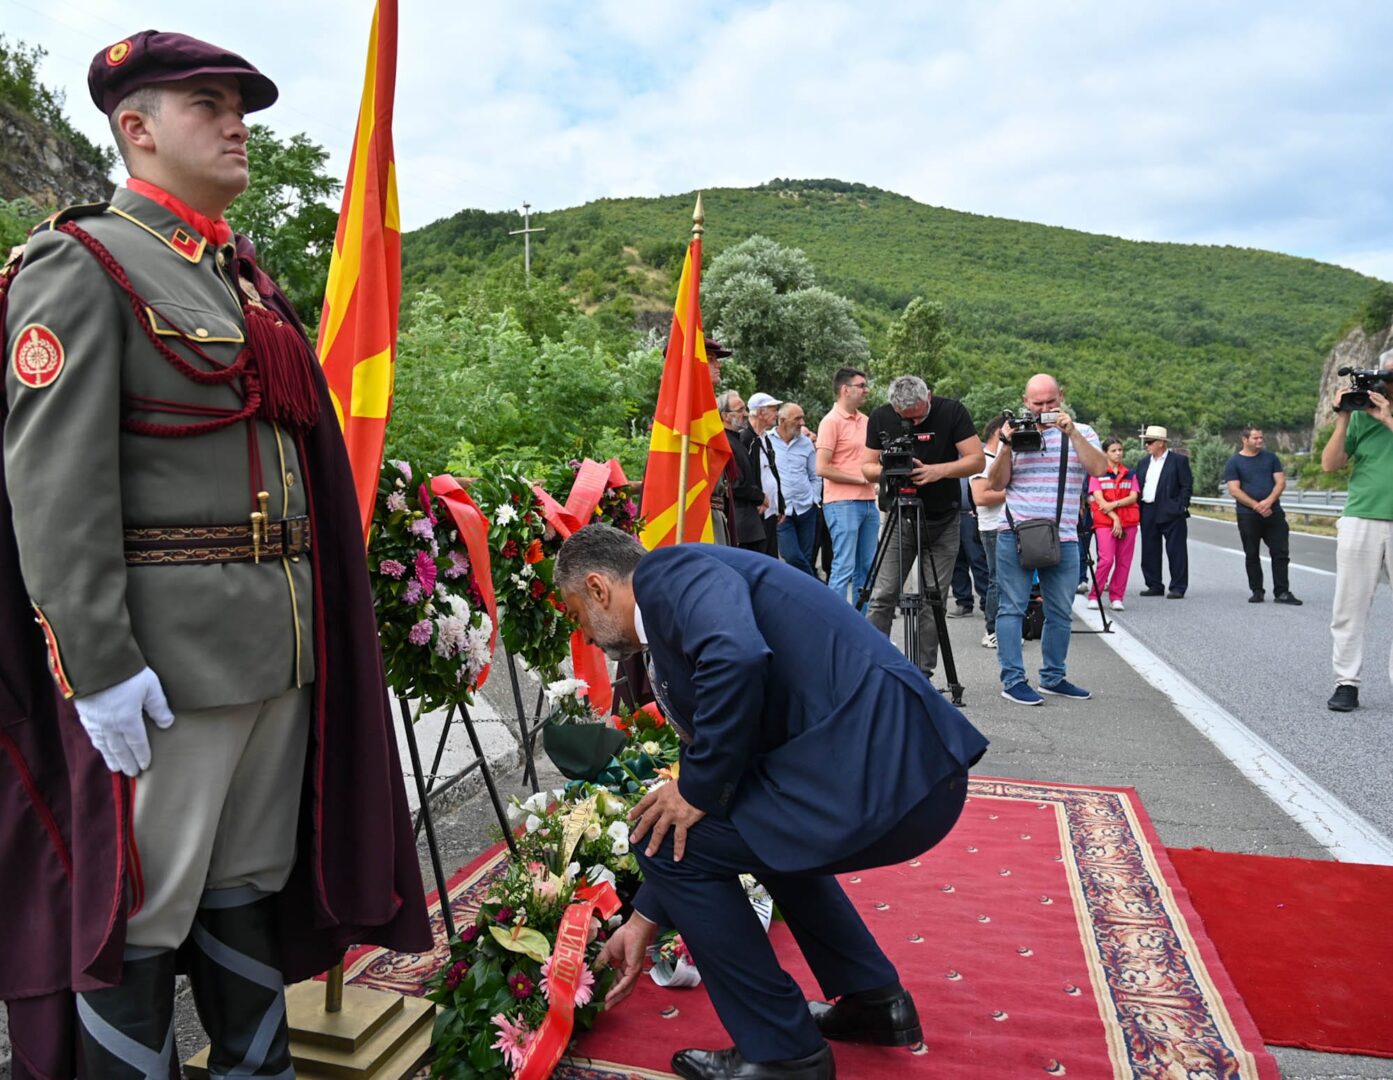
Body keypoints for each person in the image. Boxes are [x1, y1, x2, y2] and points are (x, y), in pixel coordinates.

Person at [0, 32, 430, 1076]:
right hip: (167, 670)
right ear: (136, 129)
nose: (237, 122)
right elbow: (53, 486)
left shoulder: (238, 277)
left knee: (244, 889)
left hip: (275, 655)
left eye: (240, 103)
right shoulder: (85, 260)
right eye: (207, 103)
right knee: (140, 918)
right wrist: (98, 666)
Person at [556, 525, 988, 1080]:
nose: (587, 638)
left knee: (663, 839)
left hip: (888, 773)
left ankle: (783, 1052)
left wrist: (695, 787)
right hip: (901, 773)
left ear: (596, 587)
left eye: (577, 618)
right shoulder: (674, 601)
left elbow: (735, 657)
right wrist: (645, 920)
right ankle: (875, 1001)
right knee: (756, 829)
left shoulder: (668, 574)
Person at [987, 375, 1109, 705]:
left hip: (1064, 535)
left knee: (1059, 611)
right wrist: (1007, 444)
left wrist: (1069, 432)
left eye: (1051, 403)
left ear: (1062, 398)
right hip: (1015, 533)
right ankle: (1013, 680)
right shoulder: (1013, 433)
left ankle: (1053, 677)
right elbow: (996, 484)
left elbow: (1099, 468)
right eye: (1037, 404)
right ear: (1025, 402)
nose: (1044, 410)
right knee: (1011, 609)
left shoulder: (1082, 432)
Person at [861, 375, 984, 684]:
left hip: (942, 519)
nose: (913, 422)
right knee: (883, 595)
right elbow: (866, 467)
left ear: (928, 395)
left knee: (934, 600)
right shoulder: (880, 417)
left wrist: (936, 471)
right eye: (906, 418)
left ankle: (921, 675)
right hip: (898, 516)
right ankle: (874, 669)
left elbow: (976, 460)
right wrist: (890, 469)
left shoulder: (952, 411)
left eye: (918, 415)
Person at [1320, 349, 1393, 712]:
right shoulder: (1360, 418)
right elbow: (1330, 464)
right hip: (1361, 517)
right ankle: (1346, 682)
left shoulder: (1383, 415)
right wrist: (1344, 418)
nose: (1384, 384)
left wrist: (1389, 418)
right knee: (1348, 606)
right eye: (1383, 376)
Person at [815, 368, 878, 603]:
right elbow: (822, 468)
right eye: (861, 385)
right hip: (842, 503)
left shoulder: (867, 421)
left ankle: (861, 629)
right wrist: (860, 479)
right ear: (845, 389)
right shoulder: (830, 422)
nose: (866, 390)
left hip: (868, 501)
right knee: (843, 568)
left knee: (868, 569)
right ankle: (836, 629)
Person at [1223, 428, 1301, 605]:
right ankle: (1257, 590)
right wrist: (1257, 506)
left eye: (1261, 438)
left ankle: (1282, 592)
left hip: (1273, 513)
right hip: (1248, 515)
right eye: (1255, 438)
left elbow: (1280, 482)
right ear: (1244, 439)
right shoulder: (1234, 462)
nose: (1260, 440)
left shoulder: (1271, 458)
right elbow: (1234, 490)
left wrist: (1268, 502)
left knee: (1280, 552)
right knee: (1252, 553)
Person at [1134, 426, 1193, 599]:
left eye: (1150, 442)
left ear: (1161, 443)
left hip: (1171, 510)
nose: (1146, 445)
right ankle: (1154, 584)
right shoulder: (1143, 462)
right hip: (1148, 508)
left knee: (1176, 550)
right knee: (1149, 549)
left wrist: (1182, 505)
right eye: (1146, 442)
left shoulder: (1178, 461)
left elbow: (1186, 485)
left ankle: (1178, 586)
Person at [1086, 438, 1140, 610]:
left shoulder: (1130, 474)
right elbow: (1098, 498)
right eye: (1114, 450)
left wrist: (1115, 505)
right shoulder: (1097, 474)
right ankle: (1095, 595)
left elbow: (1133, 496)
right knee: (1106, 560)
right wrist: (1115, 517)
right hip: (1105, 522)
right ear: (1105, 453)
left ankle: (1117, 597)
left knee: (1124, 561)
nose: (1118, 453)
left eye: (1120, 450)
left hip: (1128, 523)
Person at [968, 415, 1007, 648]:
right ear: (998, 432)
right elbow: (981, 497)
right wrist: (1013, 492)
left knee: (1007, 580)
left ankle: (1004, 628)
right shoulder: (984, 460)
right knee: (997, 580)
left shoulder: (1002, 459)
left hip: (1006, 526)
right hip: (992, 527)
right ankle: (992, 629)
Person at [770, 402, 822, 576]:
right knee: (792, 557)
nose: (802, 422)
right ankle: (817, 587)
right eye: (797, 418)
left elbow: (815, 475)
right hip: (782, 511)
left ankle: (803, 600)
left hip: (806, 509)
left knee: (806, 558)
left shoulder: (806, 444)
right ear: (782, 420)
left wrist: (814, 499)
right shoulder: (767, 441)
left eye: (802, 417)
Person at [716, 390, 767, 551]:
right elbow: (735, 484)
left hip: (749, 523)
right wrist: (760, 497)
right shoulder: (725, 443)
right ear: (725, 416)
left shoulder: (735, 440)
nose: (745, 414)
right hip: (740, 524)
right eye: (740, 410)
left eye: (745, 409)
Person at [744, 392, 785, 557]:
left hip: (771, 510)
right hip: (757, 511)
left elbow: (772, 471)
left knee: (772, 557)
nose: (777, 413)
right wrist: (757, 498)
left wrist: (780, 503)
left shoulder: (765, 438)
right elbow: (745, 476)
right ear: (760, 412)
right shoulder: (745, 438)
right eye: (773, 409)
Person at [704, 338, 735, 545]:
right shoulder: (682, 413)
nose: (719, 364)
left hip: (715, 512)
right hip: (701, 519)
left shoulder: (708, 409)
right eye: (710, 358)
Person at [949, 476, 989, 618]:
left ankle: (987, 603)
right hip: (951, 513)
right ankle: (963, 602)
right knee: (955, 561)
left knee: (977, 559)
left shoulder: (974, 457)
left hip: (970, 514)